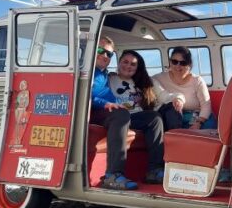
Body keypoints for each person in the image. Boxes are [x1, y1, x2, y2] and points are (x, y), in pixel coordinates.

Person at [90, 38, 183, 190]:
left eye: (109, 53)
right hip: (105, 113)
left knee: (154, 118)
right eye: (101, 51)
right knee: (121, 113)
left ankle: (155, 170)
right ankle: (112, 175)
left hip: (124, 115)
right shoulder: (94, 73)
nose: (105, 56)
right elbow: (82, 93)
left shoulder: (107, 74)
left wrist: (178, 99)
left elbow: (165, 96)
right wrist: (104, 103)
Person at [153, 46, 216, 130]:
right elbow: (144, 81)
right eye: (174, 62)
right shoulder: (159, 78)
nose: (178, 66)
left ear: (189, 65)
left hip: (197, 115)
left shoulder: (197, 80)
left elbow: (206, 106)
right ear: (170, 62)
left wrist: (199, 123)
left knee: (207, 128)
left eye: (183, 63)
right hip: (173, 116)